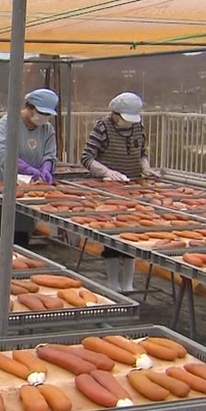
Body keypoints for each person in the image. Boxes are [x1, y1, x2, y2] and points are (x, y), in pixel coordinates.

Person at [80, 92, 160, 293]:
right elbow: (87, 157)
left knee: (131, 233)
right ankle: (113, 282)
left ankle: (128, 283)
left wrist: (145, 166)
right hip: (108, 190)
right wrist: (106, 171)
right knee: (113, 235)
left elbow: (141, 151)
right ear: (115, 114)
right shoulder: (102, 128)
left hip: (133, 187)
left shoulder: (138, 127)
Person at [0, 88, 59, 247]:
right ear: (30, 107)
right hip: (3, 183)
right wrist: (26, 168)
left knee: (21, 240)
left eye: (47, 114)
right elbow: (2, 153)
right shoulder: (8, 122)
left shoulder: (47, 129)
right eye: (41, 113)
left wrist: (46, 168)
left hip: (29, 190)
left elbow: (50, 154)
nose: (44, 117)